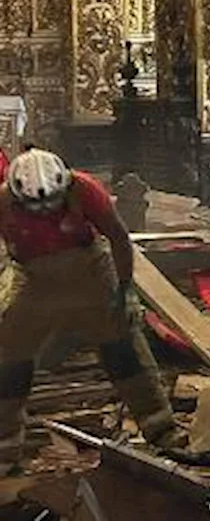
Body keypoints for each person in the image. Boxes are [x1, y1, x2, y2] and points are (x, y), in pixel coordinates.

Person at [0, 148, 185, 470]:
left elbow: (118, 236)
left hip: (89, 269)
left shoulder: (85, 189)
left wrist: (126, 288)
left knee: (122, 347)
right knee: (10, 355)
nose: (44, 213)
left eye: (51, 205)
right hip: (34, 276)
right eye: (35, 207)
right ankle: (5, 445)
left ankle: (162, 430)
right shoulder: (3, 201)